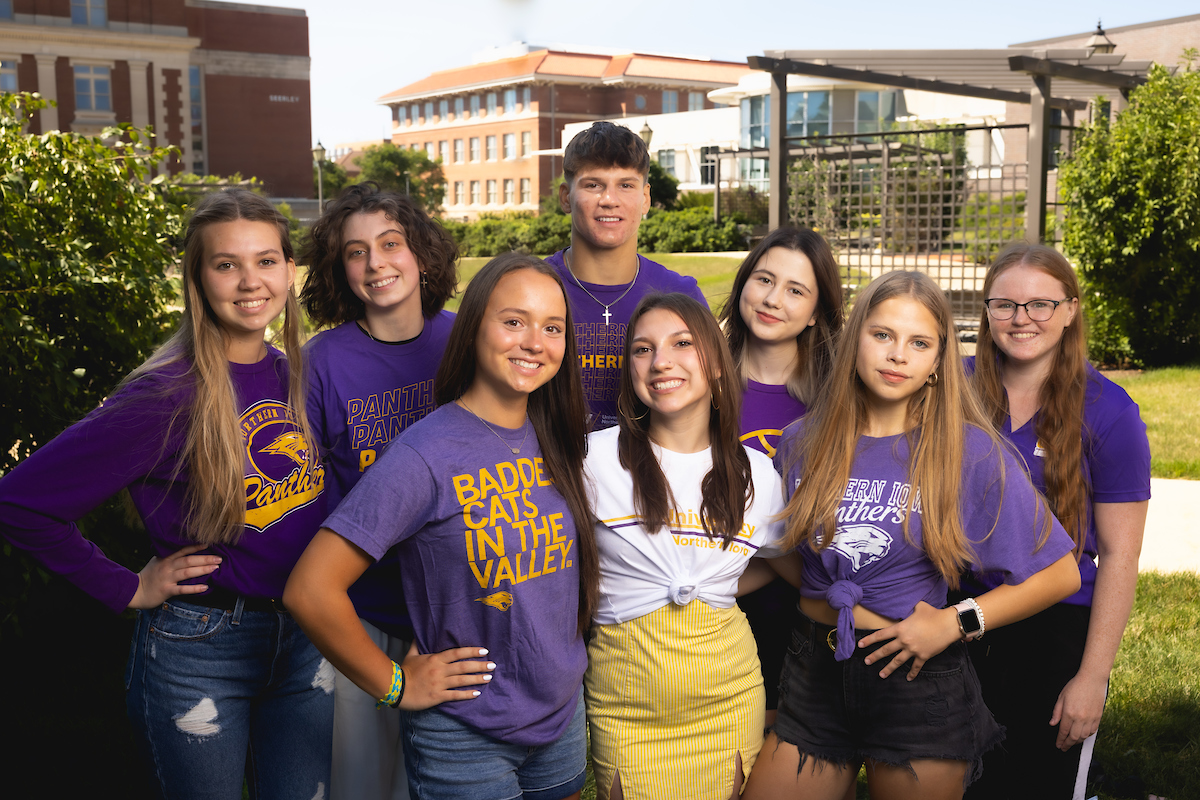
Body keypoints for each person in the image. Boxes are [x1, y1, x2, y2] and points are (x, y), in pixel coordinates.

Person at [0, 189, 331, 799]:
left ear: (289, 269)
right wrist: (127, 587)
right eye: (226, 263)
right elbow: (21, 502)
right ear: (197, 278)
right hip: (203, 646)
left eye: (266, 260)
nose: (249, 280)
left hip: (309, 641)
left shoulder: (299, 372)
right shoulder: (165, 395)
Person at [743, 270, 1082, 800]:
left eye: (918, 342)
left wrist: (957, 621)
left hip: (913, 682)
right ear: (855, 339)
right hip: (813, 674)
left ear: (936, 362)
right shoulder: (802, 441)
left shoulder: (967, 451)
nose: (897, 355)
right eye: (882, 335)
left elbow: (1061, 574)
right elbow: (794, 557)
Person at [284, 253, 598, 800]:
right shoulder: (425, 453)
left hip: (560, 720)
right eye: (514, 321)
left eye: (552, 328)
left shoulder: (559, 439)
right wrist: (395, 684)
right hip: (465, 736)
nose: (534, 342)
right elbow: (310, 589)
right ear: (474, 324)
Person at [962, 244, 1151, 800]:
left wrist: (1092, 678)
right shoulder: (955, 389)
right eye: (1006, 305)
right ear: (988, 312)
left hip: (1055, 619)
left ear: (1070, 309)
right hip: (960, 609)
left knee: (1032, 781)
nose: (1022, 319)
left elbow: (1120, 554)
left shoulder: (1110, 412)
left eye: (1041, 304)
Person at [583, 292, 790, 800]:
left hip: (727, 699)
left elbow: (783, 563)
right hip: (626, 704)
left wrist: (715, 582)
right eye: (642, 349)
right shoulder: (591, 459)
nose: (661, 362)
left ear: (716, 362)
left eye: (682, 343)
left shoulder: (757, 474)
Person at [300, 183, 459, 800]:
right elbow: (299, 490)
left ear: (420, 252)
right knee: (360, 786)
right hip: (359, 612)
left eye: (390, 244)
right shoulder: (322, 362)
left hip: (455, 611)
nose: (376, 264)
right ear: (341, 270)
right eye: (355, 252)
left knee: (438, 783)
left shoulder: (464, 343)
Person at [718, 224, 845, 727]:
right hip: (710, 608)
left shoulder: (837, 399)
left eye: (796, 290)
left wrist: (761, 566)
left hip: (805, 609)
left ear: (816, 312)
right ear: (744, 283)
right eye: (764, 280)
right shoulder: (697, 377)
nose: (773, 299)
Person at [546, 120, 709, 429]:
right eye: (593, 185)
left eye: (626, 185)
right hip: (548, 471)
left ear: (645, 198)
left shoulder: (680, 295)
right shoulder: (535, 290)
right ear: (566, 197)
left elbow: (707, 403)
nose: (609, 199)